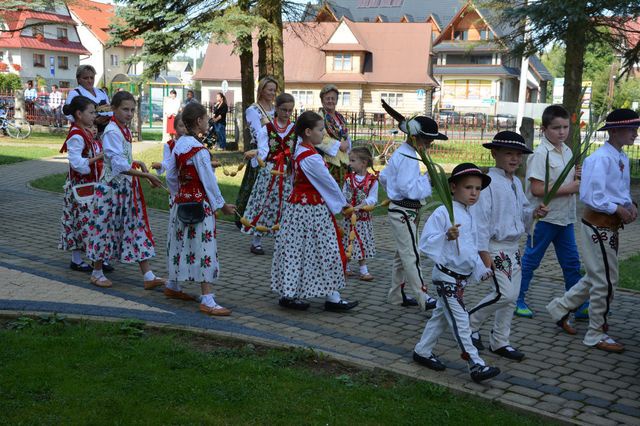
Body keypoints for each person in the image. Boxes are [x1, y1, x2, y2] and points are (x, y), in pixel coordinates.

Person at [547, 108, 638, 353]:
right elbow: (591, 196)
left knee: (597, 276)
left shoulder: (620, 158)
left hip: (608, 226)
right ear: (615, 131)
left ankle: (560, 308)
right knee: (607, 280)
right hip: (598, 225)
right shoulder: (599, 159)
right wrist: (617, 209)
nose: (635, 133)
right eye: (631, 128)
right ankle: (595, 332)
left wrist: (630, 205)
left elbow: (620, 191)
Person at [413, 163, 500, 383]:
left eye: (478, 189)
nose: (473, 193)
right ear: (453, 187)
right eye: (468, 187)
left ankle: (422, 351)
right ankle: (475, 364)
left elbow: (470, 249)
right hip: (446, 278)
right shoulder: (444, 212)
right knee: (461, 322)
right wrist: (446, 236)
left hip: (459, 280)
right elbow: (426, 242)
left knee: (440, 318)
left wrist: (482, 269)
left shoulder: (470, 214)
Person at [468, 131, 548, 362]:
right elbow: (481, 222)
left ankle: (500, 340)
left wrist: (534, 213)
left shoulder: (516, 182)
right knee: (505, 293)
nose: (514, 159)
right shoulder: (488, 184)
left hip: (513, 246)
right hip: (495, 247)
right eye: (508, 154)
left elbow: (521, 212)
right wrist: (483, 254)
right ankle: (469, 321)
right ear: (495, 153)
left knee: (511, 299)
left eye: (518, 155)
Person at [271, 111, 358, 312]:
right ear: (308, 132)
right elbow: (327, 183)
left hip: (298, 209)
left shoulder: (301, 150)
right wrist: (343, 204)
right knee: (326, 249)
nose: (323, 133)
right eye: (320, 130)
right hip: (310, 210)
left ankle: (296, 293)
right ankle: (328, 297)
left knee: (296, 250)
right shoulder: (310, 157)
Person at [86, 91, 165, 289]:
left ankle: (148, 275)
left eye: (132, 110)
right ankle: (96, 272)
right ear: (114, 109)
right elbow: (119, 165)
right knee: (105, 229)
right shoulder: (112, 131)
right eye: (125, 109)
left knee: (134, 228)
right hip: (110, 190)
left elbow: (124, 158)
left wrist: (140, 165)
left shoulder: (124, 130)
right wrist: (146, 176)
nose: (129, 114)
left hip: (125, 189)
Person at [165, 103, 237, 315]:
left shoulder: (178, 145)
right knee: (203, 247)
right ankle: (207, 298)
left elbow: (170, 175)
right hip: (199, 206)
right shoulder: (199, 151)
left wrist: (177, 194)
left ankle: (174, 285)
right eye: (206, 119)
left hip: (181, 204)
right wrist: (221, 205)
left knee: (180, 244)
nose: (208, 122)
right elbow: (209, 182)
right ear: (198, 121)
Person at [516, 105, 587, 319]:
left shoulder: (567, 150)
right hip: (544, 218)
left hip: (564, 218)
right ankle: (516, 299)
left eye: (565, 127)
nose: (562, 132)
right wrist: (571, 188)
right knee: (531, 261)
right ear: (544, 129)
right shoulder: (540, 154)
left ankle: (576, 304)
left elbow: (568, 182)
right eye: (556, 128)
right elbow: (537, 189)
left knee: (572, 263)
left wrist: (577, 176)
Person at [378, 100, 443, 310]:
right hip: (404, 210)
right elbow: (409, 189)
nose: (429, 146)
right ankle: (423, 297)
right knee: (411, 254)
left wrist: (395, 191)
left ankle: (396, 295)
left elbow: (384, 177)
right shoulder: (407, 156)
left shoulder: (404, 153)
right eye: (427, 141)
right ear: (416, 138)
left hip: (404, 210)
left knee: (402, 254)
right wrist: (428, 181)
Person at [241, 93, 295, 255]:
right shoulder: (267, 129)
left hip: (287, 173)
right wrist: (256, 153)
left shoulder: (295, 129)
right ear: (276, 109)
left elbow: (297, 151)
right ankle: (256, 240)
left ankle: (283, 240)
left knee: (286, 205)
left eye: (290, 110)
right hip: (269, 171)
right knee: (264, 203)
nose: (287, 113)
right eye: (284, 110)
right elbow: (264, 150)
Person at [58, 96, 104, 272]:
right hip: (80, 187)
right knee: (82, 222)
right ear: (79, 114)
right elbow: (76, 163)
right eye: (91, 112)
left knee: (85, 221)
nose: (94, 116)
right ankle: (81, 259)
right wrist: (98, 158)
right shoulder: (76, 135)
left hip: (89, 184)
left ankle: (93, 258)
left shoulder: (85, 131)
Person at [235, 76, 278, 226]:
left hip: (275, 154)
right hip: (260, 154)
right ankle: (245, 219)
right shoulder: (253, 110)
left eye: (274, 90)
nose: (272, 93)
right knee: (254, 190)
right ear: (261, 90)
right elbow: (257, 133)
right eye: (269, 89)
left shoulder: (276, 109)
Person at [342, 146, 378, 281]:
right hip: (348, 219)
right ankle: (346, 267)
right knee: (347, 242)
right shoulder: (348, 179)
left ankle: (363, 270)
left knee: (360, 243)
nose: (349, 163)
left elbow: (373, 198)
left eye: (352, 160)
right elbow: (343, 193)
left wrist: (361, 206)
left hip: (362, 220)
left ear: (363, 163)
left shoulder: (372, 180)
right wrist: (346, 205)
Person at [316, 84, 350, 185]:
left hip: (344, 161)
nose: (330, 101)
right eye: (327, 98)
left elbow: (345, 135)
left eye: (333, 98)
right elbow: (318, 139)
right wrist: (339, 145)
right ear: (322, 100)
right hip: (328, 161)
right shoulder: (318, 118)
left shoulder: (340, 118)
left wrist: (347, 143)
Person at [65, 65, 111, 133]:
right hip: (85, 131)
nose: (89, 81)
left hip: (105, 130)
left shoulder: (101, 92)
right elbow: (69, 115)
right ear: (78, 79)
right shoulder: (75, 93)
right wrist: (92, 120)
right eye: (85, 78)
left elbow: (109, 109)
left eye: (92, 78)